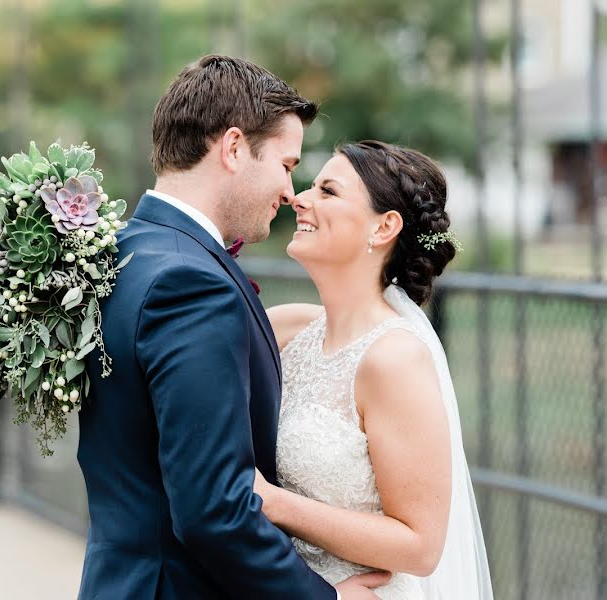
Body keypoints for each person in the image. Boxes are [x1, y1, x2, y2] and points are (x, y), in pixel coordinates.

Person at [78, 55, 387, 599]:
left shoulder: (121, 253)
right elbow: (214, 509)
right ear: (234, 147)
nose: (292, 192)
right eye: (288, 165)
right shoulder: (191, 284)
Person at [258, 141, 493, 599]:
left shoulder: (394, 360)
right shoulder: (287, 329)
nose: (298, 198)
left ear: (384, 227)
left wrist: (273, 503)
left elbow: (421, 545)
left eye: (328, 191)